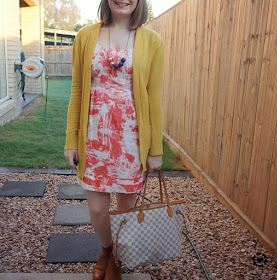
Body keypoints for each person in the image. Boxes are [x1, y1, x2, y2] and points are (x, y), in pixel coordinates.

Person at [64, 0, 164, 279]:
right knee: (97, 208)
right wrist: (71, 140)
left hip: (131, 140)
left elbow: (153, 99)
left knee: (125, 209)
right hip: (94, 136)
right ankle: (107, 249)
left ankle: (117, 258)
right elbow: (77, 92)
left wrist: (155, 149)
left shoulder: (152, 41)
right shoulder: (85, 36)